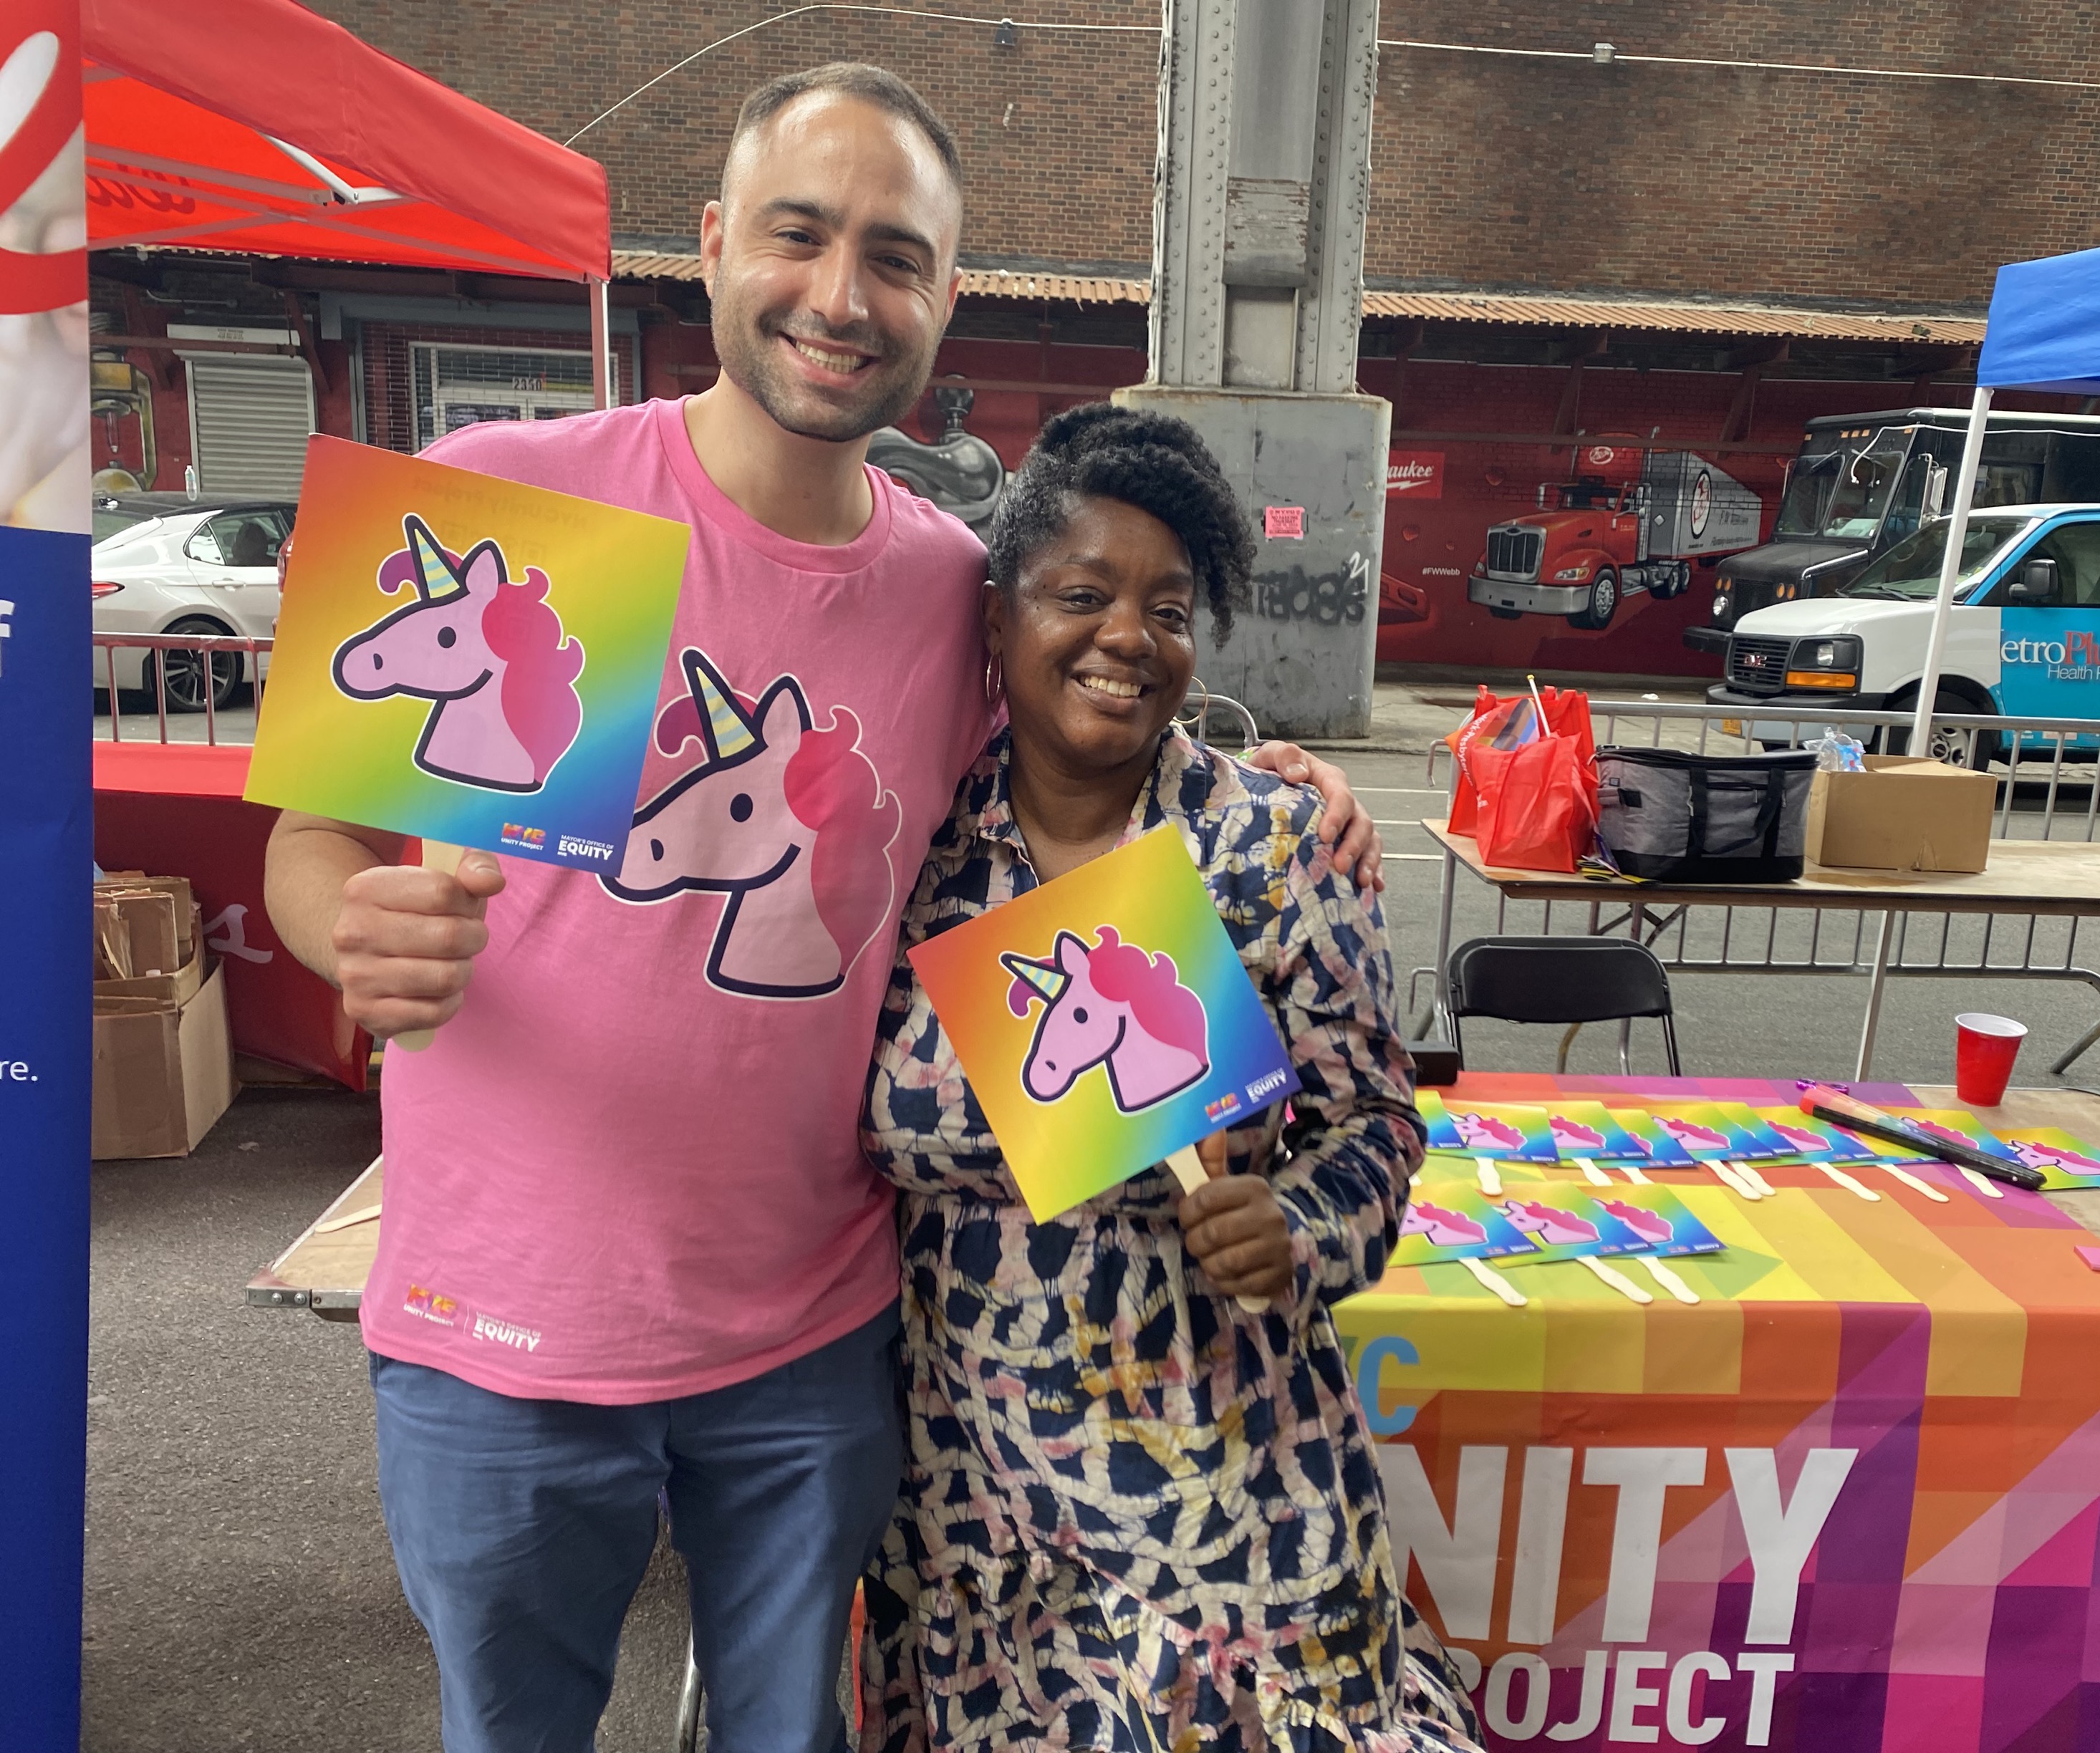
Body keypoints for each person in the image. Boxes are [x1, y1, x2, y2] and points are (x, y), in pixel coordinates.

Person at [262, 66, 1375, 1752]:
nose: (842, 297)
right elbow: (309, 840)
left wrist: (1272, 774)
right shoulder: (508, 491)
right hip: (495, 1332)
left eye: (897, 257)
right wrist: (348, 923)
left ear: (944, 300)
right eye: (799, 234)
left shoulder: (947, 586)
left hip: (811, 1339)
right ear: (710, 246)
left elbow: (1091, 720)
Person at [858, 405, 1480, 1749]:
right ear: (996, 618)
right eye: (1080, 593)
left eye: (1169, 606)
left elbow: (1372, 1123)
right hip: (979, 1483)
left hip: (1227, 1468)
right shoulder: (909, 850)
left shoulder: (1264, 842)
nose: (1127, 635)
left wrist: (1300, 1223)